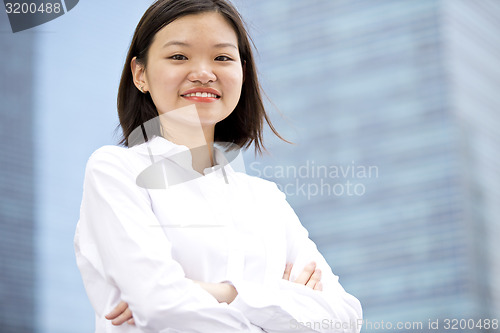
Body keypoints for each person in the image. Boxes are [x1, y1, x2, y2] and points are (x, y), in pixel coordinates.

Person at [74, 0, 362, 332]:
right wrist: (283, 301)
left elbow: (344, 318)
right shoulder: (116, 171)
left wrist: (219, 292)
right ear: (140, 74)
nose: (203, 73)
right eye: (179, 56)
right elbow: (162, 308)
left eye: (222, 57)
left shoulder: (265, 199)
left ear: (242, 71)